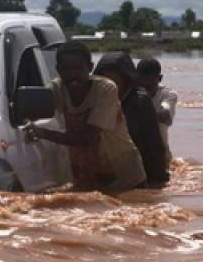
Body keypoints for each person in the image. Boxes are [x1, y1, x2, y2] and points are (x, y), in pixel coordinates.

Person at [24, 42, 146, 192]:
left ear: (90, 67)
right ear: (58, 70)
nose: (72, 74)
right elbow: (29, 110)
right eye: (66, 69)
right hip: (86, 176)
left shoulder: (105, 89)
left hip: (125, 177)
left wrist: (43, 134)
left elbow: (89, 137)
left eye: (78, 68)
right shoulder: (56, 89)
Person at [94, 52, 169, 187]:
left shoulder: (140, 101)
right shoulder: (94, 99)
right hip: (101, 171)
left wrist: (158, 179)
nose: (110, 83)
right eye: (105, 78)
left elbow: (154, 143)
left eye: (115, 78)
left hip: (136, 171)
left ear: (126, 78)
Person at [136, 58, 177, 164]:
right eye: (142, 86)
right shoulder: (131, 92)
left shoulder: (168, 95)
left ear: (159, 78)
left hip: (159, 156)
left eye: (149, 86)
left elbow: (165, 116)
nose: (145, 91)